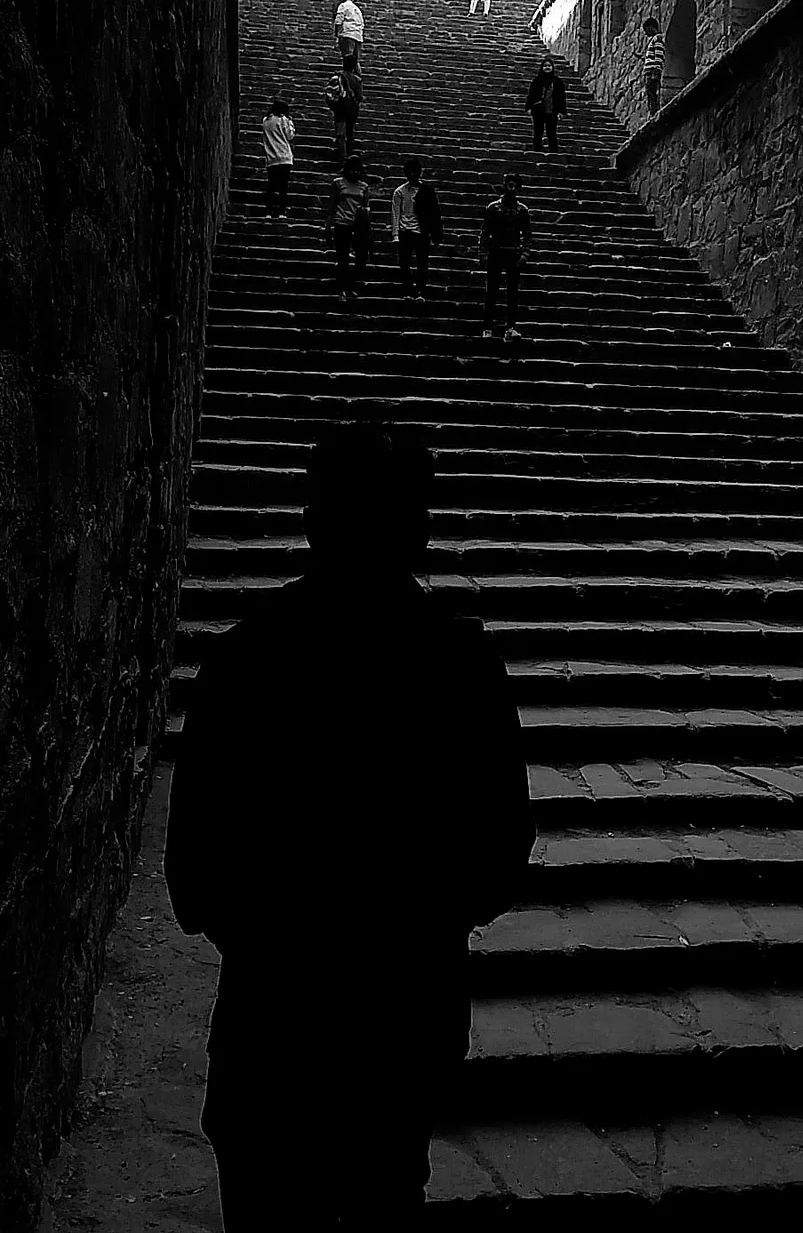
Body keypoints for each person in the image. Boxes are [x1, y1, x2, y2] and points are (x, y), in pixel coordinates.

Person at [163, 417, 535, 1228]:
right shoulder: (461, 668)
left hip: (273, 1023)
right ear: (419, 529)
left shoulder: (245, 661)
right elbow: (502, 853)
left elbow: (192, 877)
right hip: (401, 1019)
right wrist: (412, 920)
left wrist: (282, 934)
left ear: (312, 520)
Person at [480, 172, 531, 341]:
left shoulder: (522, 211)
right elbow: (485, 232)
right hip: (496, 253)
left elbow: (527, 234)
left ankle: (510, 327)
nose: (512, 188)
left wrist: (525, 253)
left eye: (515, 185)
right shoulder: (493, 208)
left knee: (512, 294)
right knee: (492, 292)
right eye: (509, 184)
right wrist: (483, 253)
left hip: (514, 254)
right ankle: (487, 328)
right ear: (504, 186)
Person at [391, 157, 443, 303]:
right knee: (404, 263)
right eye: (410, 172)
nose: (413, 175)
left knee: (422, 263)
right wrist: (395, 235)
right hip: (404, 231)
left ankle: (420, 290)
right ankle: (408, 290)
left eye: (415, 172)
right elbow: (395, 214)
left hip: (421, 232)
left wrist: (436, 235)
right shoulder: (399, 192)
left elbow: (434, 214)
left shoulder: (427, 191)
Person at [326, 153, 372, 300]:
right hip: (341, 223)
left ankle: (350, 284)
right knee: (343, 258)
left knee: (362, 258)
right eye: (352, 169)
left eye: (357, 170)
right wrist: (328, 226)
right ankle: (343, 290)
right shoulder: (338, 183)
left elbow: (366, 206)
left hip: (358, 226)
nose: (355, 172)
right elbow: (332, 206)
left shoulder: (364, 186)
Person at [326, 53, 363, 167]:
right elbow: (360, 97)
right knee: (350, 132)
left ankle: (343, 158)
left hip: (340, 108)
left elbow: (329, 93)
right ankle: (350, 156)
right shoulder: (357, 79)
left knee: (340, 133)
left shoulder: (337, 77)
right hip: (353, 109)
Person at [261, 96, 295, 220]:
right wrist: (290, 123)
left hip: (271, 157)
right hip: (284, 156)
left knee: (271, 186)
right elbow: (290, 136)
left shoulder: (266, 120)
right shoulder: (283, 120)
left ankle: (268, 212)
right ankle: (281, 212)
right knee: (283, 186)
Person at [525, 58, 567, 153]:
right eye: (545, 66)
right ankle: (537, 151)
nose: (547, 67)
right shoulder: (537, 81)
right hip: (538, 110)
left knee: (551, 133)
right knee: (538, 131)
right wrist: (528, 107)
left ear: (552, 67)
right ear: (542, 68)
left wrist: (562, 111)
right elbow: (531, 94)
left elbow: (562, 97)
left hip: (552, 110)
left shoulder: (557, 82)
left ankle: (553, 152)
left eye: (549, 66)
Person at [642, 16, 665, 115]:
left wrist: (656, 70)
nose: (645, 32)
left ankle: (654, 112)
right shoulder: (654, 39)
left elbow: (658, 55)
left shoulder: (657, 39)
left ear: (651, 27)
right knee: (651, 93)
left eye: (646, 29)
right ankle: (653, 112)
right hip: (650, 71)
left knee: (652, 93)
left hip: (652, 72)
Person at [334, 0, 364, 67]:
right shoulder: (357, 9)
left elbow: (339, 21)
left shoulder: (343, 6)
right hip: (358, 35)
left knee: (347, 57)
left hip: (347, 34)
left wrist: (337, 34)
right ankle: (357, 73)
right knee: (355, 60)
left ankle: (347, 73)